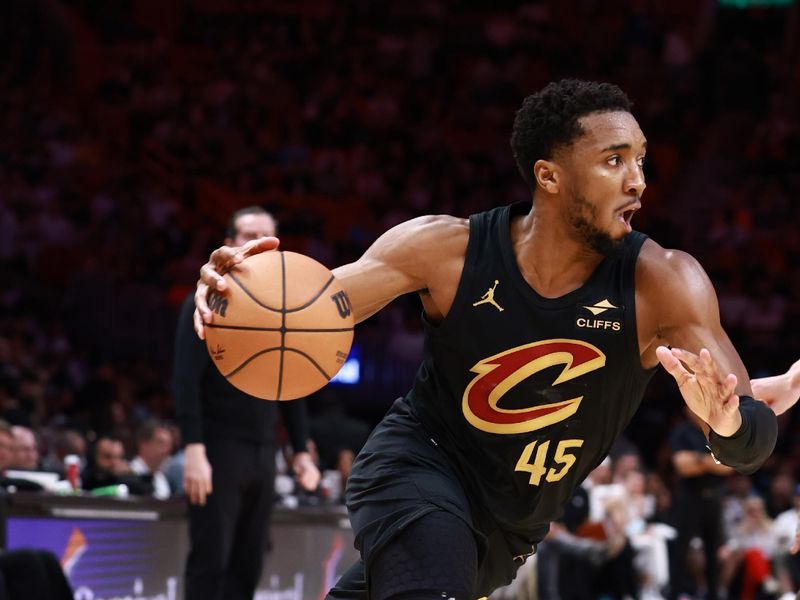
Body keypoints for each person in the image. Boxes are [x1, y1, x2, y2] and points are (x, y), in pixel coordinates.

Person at [193, 80, 778, 599]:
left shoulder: (665, 281)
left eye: (641, 160)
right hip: (417, 464)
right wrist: (232, 296)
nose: (638, 182)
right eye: (614, 160)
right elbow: (314, 307)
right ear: (548, 175)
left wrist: (727, 424)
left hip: (506, 529)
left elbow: (749, 438)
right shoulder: (445, 250)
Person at [174, 206, 320, 600]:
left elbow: (292, 385)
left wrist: (301, 450)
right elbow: (185, 381)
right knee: (211, 559)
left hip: (263, 449)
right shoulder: (207, 301)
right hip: (218, 447)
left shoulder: (285, 309)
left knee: (249, 562)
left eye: (265, 237)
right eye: (247, 235)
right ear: (229, 244)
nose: (256, 245)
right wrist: (193, 448)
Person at [669, 407, 733, 599]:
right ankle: (674, 594)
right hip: (690, 496)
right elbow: (681, 466)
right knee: (681, 548)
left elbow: (729, 467)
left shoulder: (718, 431)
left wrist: (696, 460)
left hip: (714, 498)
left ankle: (713, 595)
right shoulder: (681, 431)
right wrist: (712, 462)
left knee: (713, 551)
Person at [129, 419, 173, 499]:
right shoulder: (128, 473)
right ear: (143, 444)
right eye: (161, 443)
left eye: (169, 444)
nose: (167, 449)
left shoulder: (161, 478)